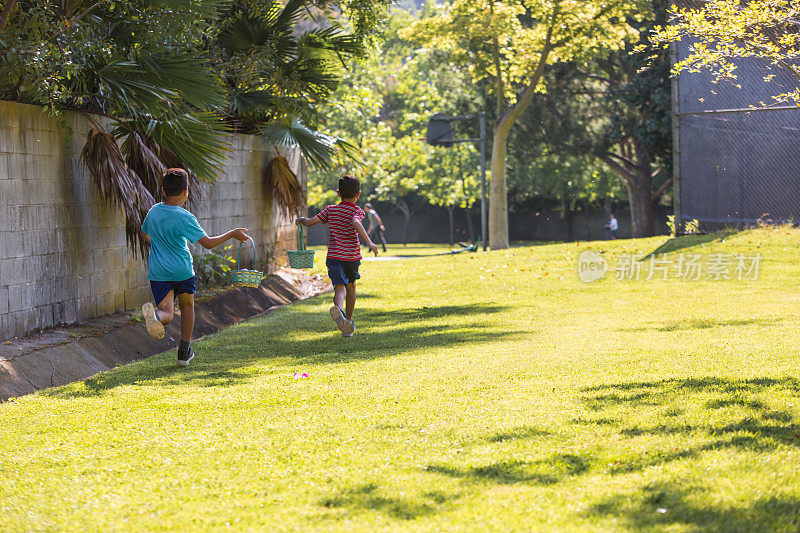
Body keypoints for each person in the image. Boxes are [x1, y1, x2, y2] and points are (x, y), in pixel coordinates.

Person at [140, 168, 249, 366]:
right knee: (187, 306)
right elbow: (207, 242)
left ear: (163, 191)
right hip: (182, 270)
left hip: (159, 272)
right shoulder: (185, 217)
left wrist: (160, 242)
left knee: (166, 311)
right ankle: (184, 352)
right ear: (186, 192)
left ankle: (155, 316)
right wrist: (232, 233)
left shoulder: (154, 211)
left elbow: (145, 234)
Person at [297, 175, 378, 337]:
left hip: (334, 256)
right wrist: (369, 242)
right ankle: (347, 321)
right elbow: (355, 222)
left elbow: (310, 222)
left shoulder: (330, 210)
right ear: (358, 194)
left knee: (339, 287)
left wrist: (301, 220)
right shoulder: (357, 210)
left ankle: (339, 309)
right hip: (351, 257)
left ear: (338, 193)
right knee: (351, 286)